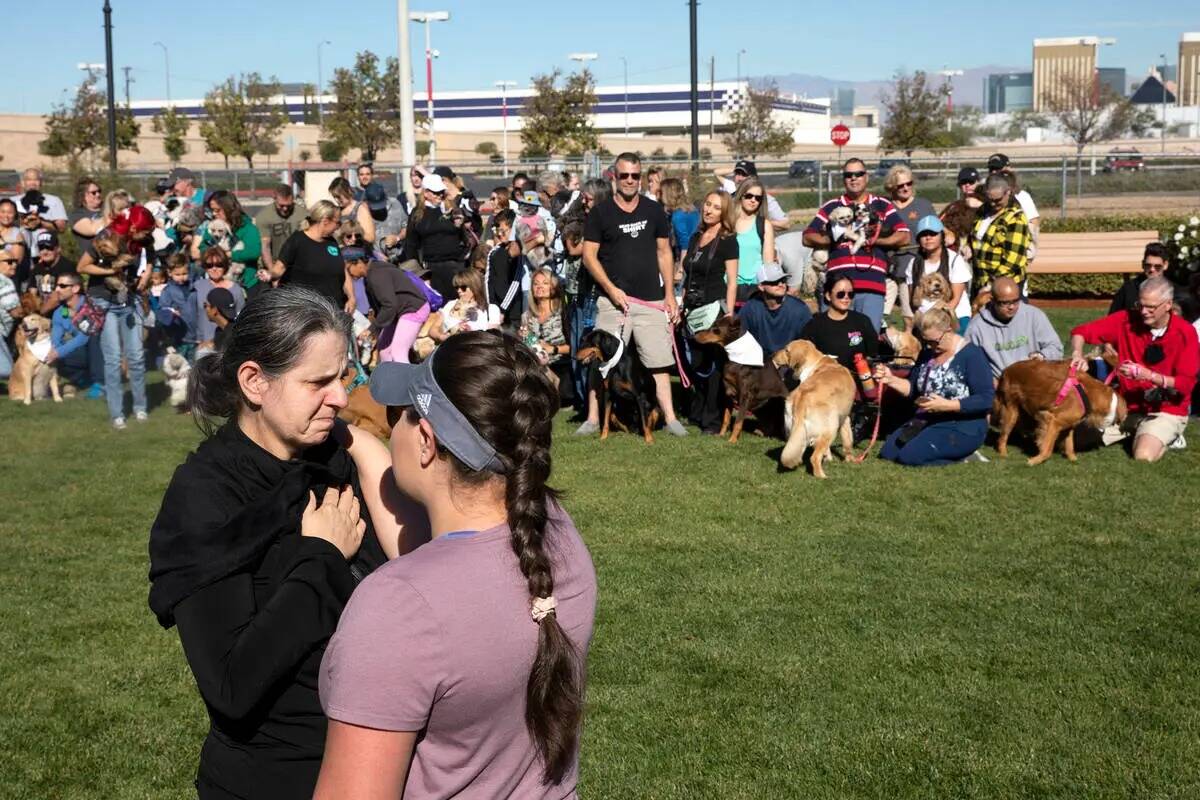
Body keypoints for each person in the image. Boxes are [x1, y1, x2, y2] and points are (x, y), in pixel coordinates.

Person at [315, 331, 596, 799]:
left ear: (426, 441)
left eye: (401, 415)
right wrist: (361, 445)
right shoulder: (554, 532)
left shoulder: (398, 607)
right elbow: (448, 574)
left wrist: (317, 556)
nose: (392, 430)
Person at [148, 286, 387, 800]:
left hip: (375, 773)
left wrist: (364, 447)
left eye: (342, 377)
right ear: (255, 382)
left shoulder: (335, 458)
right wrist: (322, 558)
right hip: (274, 779)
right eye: (318, 382)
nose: (342, 399)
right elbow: (233, 686)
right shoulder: (206, 498)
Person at [577, 152, 687, 437]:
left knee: (658, 360)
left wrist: (670, 295)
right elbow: (589, 257)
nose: (630, 180)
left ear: (640, 177)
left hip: (650, 299)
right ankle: (592, 419)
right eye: (624, 175)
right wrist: (611, 289)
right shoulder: (601, 213)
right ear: (614, 176)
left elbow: (664, 251)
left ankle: (671, 418)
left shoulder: (653, 211)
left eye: (635, 175)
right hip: (613, 301)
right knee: (601, 363)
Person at [1068, 276, 1199, 461]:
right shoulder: (1126, 320)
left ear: (1168, 305)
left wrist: (1149, 375)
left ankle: (1169, 436)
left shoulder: (1185, 332)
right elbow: (1080, 332)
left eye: (1150, 307)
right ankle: (1139, 431)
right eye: (1141, 305)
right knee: (1071, 440)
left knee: (1143, 456)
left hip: (1166, 409)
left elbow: (1186, 384)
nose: (1143, 312)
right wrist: (1077, 354)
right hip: (1127, 405)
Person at [874, 307, 994, 466]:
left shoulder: (972, 355)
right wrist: (890, 379)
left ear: (949, 330)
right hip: (928, 419)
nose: (930, 346)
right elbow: (913, 389)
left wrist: (947, 405)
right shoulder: (927, 354)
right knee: (888, 453)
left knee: (909, 457)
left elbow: (986, 399)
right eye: (925, 341)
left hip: (963, 424)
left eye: (934, 341)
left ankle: (964, 457)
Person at [803, 158, 910, 332]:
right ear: (844, 179)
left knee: (867, 342)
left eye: (858, 174)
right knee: (832, 340)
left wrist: (876, 241)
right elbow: (807, 237)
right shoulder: (833, 206)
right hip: (837, 285)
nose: (854, 178)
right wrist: (834, 237)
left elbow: (904, 236)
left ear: (866, 177)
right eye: (848, 175)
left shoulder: (882, 205)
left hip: (871, 285)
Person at [76, 205, 156, 429]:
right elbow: (82, 266)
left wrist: (147, 274)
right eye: (145, 230)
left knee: (137, 357)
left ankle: (140, 407)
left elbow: (150, 258)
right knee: (112, 360)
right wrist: (110, 272)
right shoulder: (107, 237)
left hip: (131, 299)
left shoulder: (144, 241)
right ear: (133, 227)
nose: (148, 235)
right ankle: (117, 414)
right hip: (105, 302)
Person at [342, 247, 430, 363]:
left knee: (398, 352)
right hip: (397, 313)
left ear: (358, 263)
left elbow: (389, 305)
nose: (347, 275)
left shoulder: (377, 274)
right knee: (384, 351)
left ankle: (405, 381)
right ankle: (389, 380)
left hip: (413, 309)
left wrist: (371, 329)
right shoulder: (371, 274)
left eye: (348, 269)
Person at [965, 276, 1062, 380]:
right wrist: (989, 381)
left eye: (1015, 301)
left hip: (1035, 382)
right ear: (992, 300)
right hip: (999, 386)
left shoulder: (1034, 315)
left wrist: (1042, 355)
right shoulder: (976, 327)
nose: (1011, 307)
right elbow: (970, 364)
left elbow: (1055, 347)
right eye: (1005, 303)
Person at [273, 201, 353, 311]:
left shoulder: (332, 242)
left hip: (334, 310)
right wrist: (269, 274)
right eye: (338, 223)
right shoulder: (297, 241)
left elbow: (342, 270)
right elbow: (278, 269)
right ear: (325, 221)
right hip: (305, 312)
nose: (338, 227)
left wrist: (351, 297)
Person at [884, 164, 936, 321]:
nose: (906, 188)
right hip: (888, 265)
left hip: (913, 265)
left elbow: (936, 231)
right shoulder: (885, 206)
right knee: (879, 315)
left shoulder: (923, 205)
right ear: (892, 186)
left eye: (909, 183)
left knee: (911, 317)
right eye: (900, 185)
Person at [405, 174, 470, 298]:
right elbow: (411, 245)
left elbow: (464, 239)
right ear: (426, 193)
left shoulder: (452, 210)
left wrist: (460, 225)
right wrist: (419, 275)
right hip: (431, 269)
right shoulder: (417, 214)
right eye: (435, 192)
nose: (439, 195)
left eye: (441, 191)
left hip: (454, 266)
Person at [799, 274, 878, 372]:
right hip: (826, 381)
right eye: (841, 294)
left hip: (858, 381)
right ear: (828, 296)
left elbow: (874, 355)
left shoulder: (863, 321)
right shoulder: (814, 326)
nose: (846, 297)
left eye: (850, 294)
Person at [907, 216, 972, 332]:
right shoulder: (913, 264)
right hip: (925, 319)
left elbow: (955, 300)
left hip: (955, 315)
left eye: (933, 234)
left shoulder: (955, 260)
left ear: (942, 236)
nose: (928, 238)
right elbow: (913, 300)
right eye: (924, 234)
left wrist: (936, 320)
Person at [972, 173, 1031, 297]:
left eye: (997, 200)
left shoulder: (1016, 218)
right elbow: (975, 236)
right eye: (989, 199)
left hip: (1005, 285)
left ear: (1008, 192)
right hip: (981, 280)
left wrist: (991, 285)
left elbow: (1013, 261)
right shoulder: (983, 211)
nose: (993, 204)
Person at [520, 268, 573, 404]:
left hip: (561, 365)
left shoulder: (563, 313)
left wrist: (552, 349)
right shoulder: (527, 316)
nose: (539, 287)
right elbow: (531, 343)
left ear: (553, 287)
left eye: (545, 283)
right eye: (536, 284)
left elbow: (574, 347)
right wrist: (525, 338)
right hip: (538, 366)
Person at [192, 191, 263, 291]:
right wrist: (213, 254)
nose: (214, 213)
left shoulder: (247, 227)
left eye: (217, 210)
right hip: (217, 282)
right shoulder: (214, 226)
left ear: (228, 208)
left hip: (244, 282)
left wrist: (229, 255)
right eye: (212, 210)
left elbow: (253, 252)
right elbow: (203, 247)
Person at [739, 263, 812, 356]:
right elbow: (740, 338)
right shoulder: (751, 308)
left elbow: (807, 346)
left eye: (783, 280)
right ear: (761, 286)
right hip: (760, 361)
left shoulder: (800, 310)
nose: (781, 284)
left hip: (790, 361)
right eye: (774, 282)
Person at [193, 248, 246, 356]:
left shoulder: (236, 289)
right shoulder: (198, 286)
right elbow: (194, 315)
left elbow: (241, 319)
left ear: (225, 265)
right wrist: (198, 340)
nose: (214, 269)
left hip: (226, 344)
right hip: (204, 345)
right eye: (209, 265)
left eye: (219, 265)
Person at [732, 178, 777, 303]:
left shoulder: (764, 225)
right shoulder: (728, 223)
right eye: (749, 196)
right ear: (741, 196)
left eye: (758, 198)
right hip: (728, 285)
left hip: (754, 289)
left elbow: (768, 263)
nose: (753, 200)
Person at [428, 269, 501, 343]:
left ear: (475, 287)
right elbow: (432, 330)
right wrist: (442, 337)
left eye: (463, 288)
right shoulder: (451, 305)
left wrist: (470, 333)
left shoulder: (491, 309)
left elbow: (492, 338)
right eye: (456, 287)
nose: (459, 291)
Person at [715, 160, 790, 231]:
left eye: (744, 174)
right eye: (737, 173)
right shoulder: (731, 196)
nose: (739, 178)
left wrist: (756, 223)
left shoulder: (765, 199)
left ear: (754, 178)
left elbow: (785, 224)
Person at [47, 273, 92, 389]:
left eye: (62, 286)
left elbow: (84, 337)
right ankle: (82, 379)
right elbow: (56, 337)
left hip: (96, 348)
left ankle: (97, 380)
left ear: (75, 288)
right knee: (52, 359)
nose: (57, 289)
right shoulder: (59, 312)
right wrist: (53, 350)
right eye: (56, 285)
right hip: (80, 350)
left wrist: (58, 353)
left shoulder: (90, 307)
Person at [986, 153, 1039, 251]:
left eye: (997, 169)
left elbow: (1034, 222)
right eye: (991, 169)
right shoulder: (985, 194)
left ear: (1009, 169)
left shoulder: (1021, 196)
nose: (994, 172)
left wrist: (1025, 246)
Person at [257, 184, 307, 278]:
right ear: (274, 198)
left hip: (296, 264)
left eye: (289, 205)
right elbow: (265, 246)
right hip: (273, 263)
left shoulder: (303, 215)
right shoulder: (264, 216)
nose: (285, 209)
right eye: (281, 205)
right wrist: (273, 273)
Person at [156, 255, 198, 361]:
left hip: (196, 336)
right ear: (170, 273)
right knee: (180, 367)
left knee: (195, 368)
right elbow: (162, 311)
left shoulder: (195, 288)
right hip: (179, 337)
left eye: (184, 274)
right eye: (177, 274)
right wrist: (171, 313)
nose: (181, 277)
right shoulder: (168, 291)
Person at [1110, 242, 1170, 315]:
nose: (1152, 269)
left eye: (1157, 266)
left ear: (1165, 265)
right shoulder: (1128, 289)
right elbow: (1112, 319)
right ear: (1142, 264)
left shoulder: (1172, 291)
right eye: (1148, 265)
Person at [10, 167, 67, 233]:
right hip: (18, 241)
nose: (32, 183)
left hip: (45, 242)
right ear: (22, 183)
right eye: (29, 180)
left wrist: (41, 222)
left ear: (41, 183)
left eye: (36, 180)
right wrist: (23, 221)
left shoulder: (54, 201)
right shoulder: (12, 202)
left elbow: (62, 228)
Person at [29, 231, 77, 308]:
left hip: (64, 311)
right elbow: (32, 293)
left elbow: (57, 298)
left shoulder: (67, 268)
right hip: (43, 311)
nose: (45, 252)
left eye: (49, 248)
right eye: (41, 248)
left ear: (58, 249)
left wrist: (40, 313)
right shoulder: (37, 268)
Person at [660, 177, 699, 267]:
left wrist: (681, 267)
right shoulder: (691, 209)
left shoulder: (678, 216)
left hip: (687, 257)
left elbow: (685, 243)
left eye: (662, 193)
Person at [330, 176, 375, 245]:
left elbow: (370, 238)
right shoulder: (337, 210)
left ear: (348, 191)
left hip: (358, 252)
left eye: (338, 197)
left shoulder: (360, 209)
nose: (336, 200)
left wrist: (350, 230)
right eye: (334, 197)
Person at [69, 176, 106, 245]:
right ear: (83, 195)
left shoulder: (107, 208)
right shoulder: (77, 214)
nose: (98, 194)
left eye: (99, 191)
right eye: (93, 192)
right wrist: (113, 216)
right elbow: (92, 230)